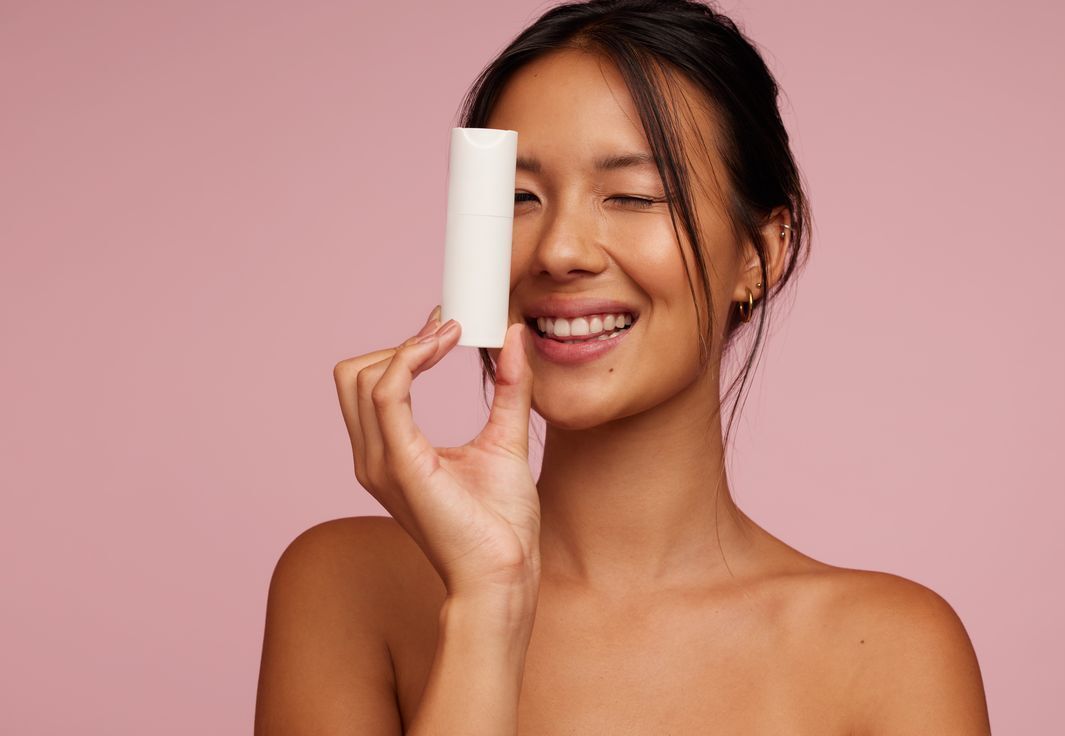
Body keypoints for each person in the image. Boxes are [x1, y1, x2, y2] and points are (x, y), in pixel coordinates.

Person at [255, 0, 991, 733]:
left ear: (761, 255)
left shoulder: (890, 651)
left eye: (633, 196)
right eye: (518, 198)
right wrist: (488, 602)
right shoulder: (344, 588)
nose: (559, 251)